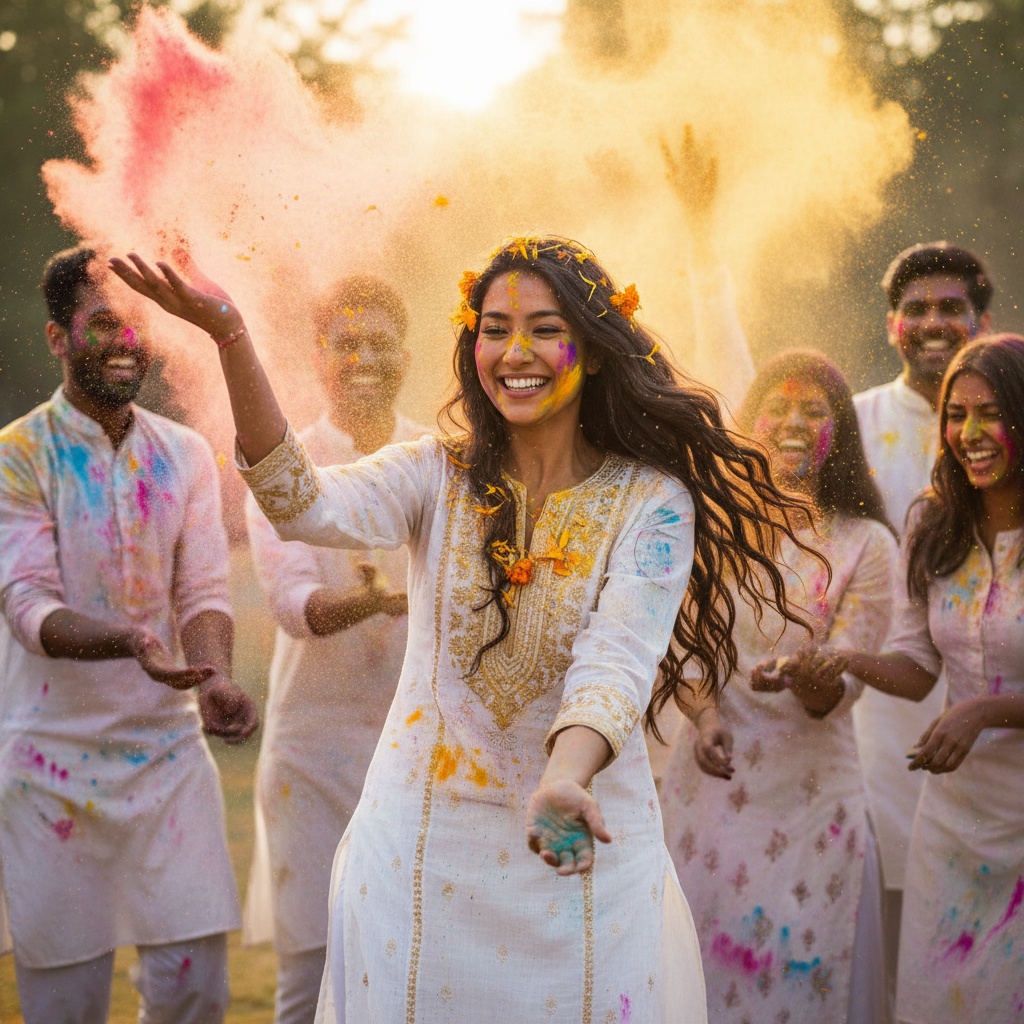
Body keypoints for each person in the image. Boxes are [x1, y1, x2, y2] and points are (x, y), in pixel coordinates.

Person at [110, 234, 819, 1024]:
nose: (516, 350)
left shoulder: (650, 501)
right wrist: (230, 335)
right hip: (419, 851)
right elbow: (297, 501)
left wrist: (564, 777)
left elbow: (617, 658)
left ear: (593, 346)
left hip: (578, 847)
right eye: (495, 328)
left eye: (546, 329)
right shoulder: (434, 474)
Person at [0, 246, 259, 1023]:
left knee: (194, 992)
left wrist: (212, 674)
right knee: (65, 1001)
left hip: (168, 757)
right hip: (50, 762)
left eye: (136, 324)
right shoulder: (17, 455)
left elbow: (205, 593)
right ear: (58, 338)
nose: (124, 341)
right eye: (103, 323)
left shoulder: (183, 455)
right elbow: (27, 607)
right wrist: (132, 644)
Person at [661, 350, 896, 1023]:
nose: (794, 421)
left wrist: (809, 675)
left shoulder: (866, 544)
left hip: (813, 806)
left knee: (807, 976)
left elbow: (838, 691)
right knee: (700, 973)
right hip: (710, 789)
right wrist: (704, 721)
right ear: (752, 424)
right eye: (780, 406)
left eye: (814, 410)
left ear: (839, 433)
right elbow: (688, 653)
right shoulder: (715, 528)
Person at [241, 276, 427, 1024]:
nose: (364, 359)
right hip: (311, 751)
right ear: (317, 356)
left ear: (406, 354)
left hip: (418, 748)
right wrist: (370, 603)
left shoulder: (440, 454)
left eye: (379, 343)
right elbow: (290, 604)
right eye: (346, 344)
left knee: (407, 955)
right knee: (310, 968)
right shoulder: (285, 463)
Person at [828, 334, 1024, 1024]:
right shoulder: (933, 523)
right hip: (954, 824)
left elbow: (972, 705)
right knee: (939, 1003)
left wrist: (985, 712)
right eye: (955, 414)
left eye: (991, 413)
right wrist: (842, 660)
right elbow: (915, 671)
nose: (969, 434)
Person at [850, 242, 993, 968]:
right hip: (878, 729)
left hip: (999, 731)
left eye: (950, 308)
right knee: (891, 952)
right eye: (916, 310)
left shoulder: (1012, 434)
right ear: (890, 326)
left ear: (983, 321)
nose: (933, 323)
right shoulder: (850, 425)